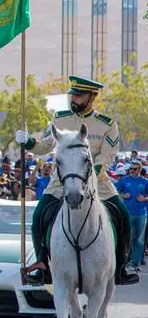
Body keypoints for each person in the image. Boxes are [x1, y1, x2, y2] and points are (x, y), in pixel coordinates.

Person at [16, 75, 139, 285]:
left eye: (79, 95)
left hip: (97, 182)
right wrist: (27, 142)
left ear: (92, 97)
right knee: (38, 218)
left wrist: (92, 173)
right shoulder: (59, 118)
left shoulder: (107, 124)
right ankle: (41, 265)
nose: (73, 98)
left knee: (123, 217)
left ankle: (122, 265)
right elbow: (45, 146)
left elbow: (108, 154)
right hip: (60, 182)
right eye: (72, 94)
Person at [115, 161, 148, 269]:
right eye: (130, 169)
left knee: (139, 239)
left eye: (134, 169)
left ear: (139, 170)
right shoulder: (124, 180)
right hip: (127, 213)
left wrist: (145, 198)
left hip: (141, 214)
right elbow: (114, 191)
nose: (131, 171)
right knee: (127, 237)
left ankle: (135, 263)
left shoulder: (144, 182)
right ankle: (125, 260)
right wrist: (123, 195)